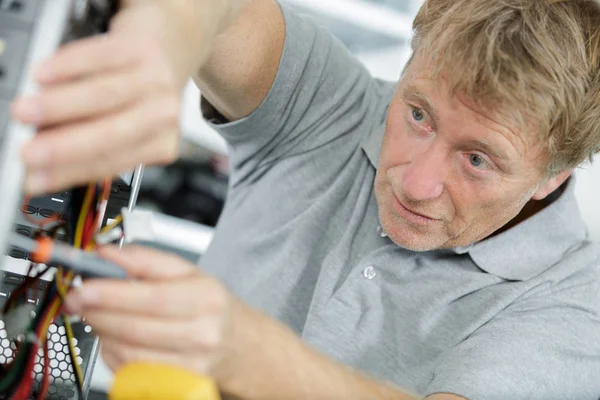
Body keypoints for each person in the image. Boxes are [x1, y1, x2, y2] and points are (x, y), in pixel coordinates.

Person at [9, 0, 600, 398]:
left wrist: (244, 352)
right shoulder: (333, 109)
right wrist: (157, 49)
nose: (415, 183)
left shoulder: (577, 309)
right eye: (418, 114)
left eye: (477, 159)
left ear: (554, 173)